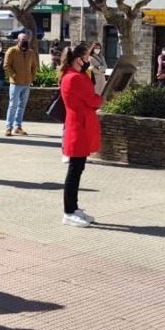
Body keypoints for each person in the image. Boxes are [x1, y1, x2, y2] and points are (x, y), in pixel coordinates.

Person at [59, 44, 103, 227]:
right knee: (74, 171)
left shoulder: (75, 76)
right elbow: (93, 99)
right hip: (78, 128)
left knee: (77, 170)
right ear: (78, 59)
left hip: (80, 127)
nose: (87, 60)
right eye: (85, 57)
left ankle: (73, 208)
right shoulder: (74, 78)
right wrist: (100, 98)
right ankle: (68, 212)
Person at [4, 31, 39, 136]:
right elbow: (6, 65)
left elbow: (34, 66)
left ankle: (17, 127)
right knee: (12, 106)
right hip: (15, 84)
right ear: (18, 41)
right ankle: (8, 128)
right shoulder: (12, 51)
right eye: (23, 40)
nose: (25, 42)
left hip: (26, 83)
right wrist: (14, 75)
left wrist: (32, 77)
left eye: (26, 40)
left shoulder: (30, 52)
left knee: (22, 106)